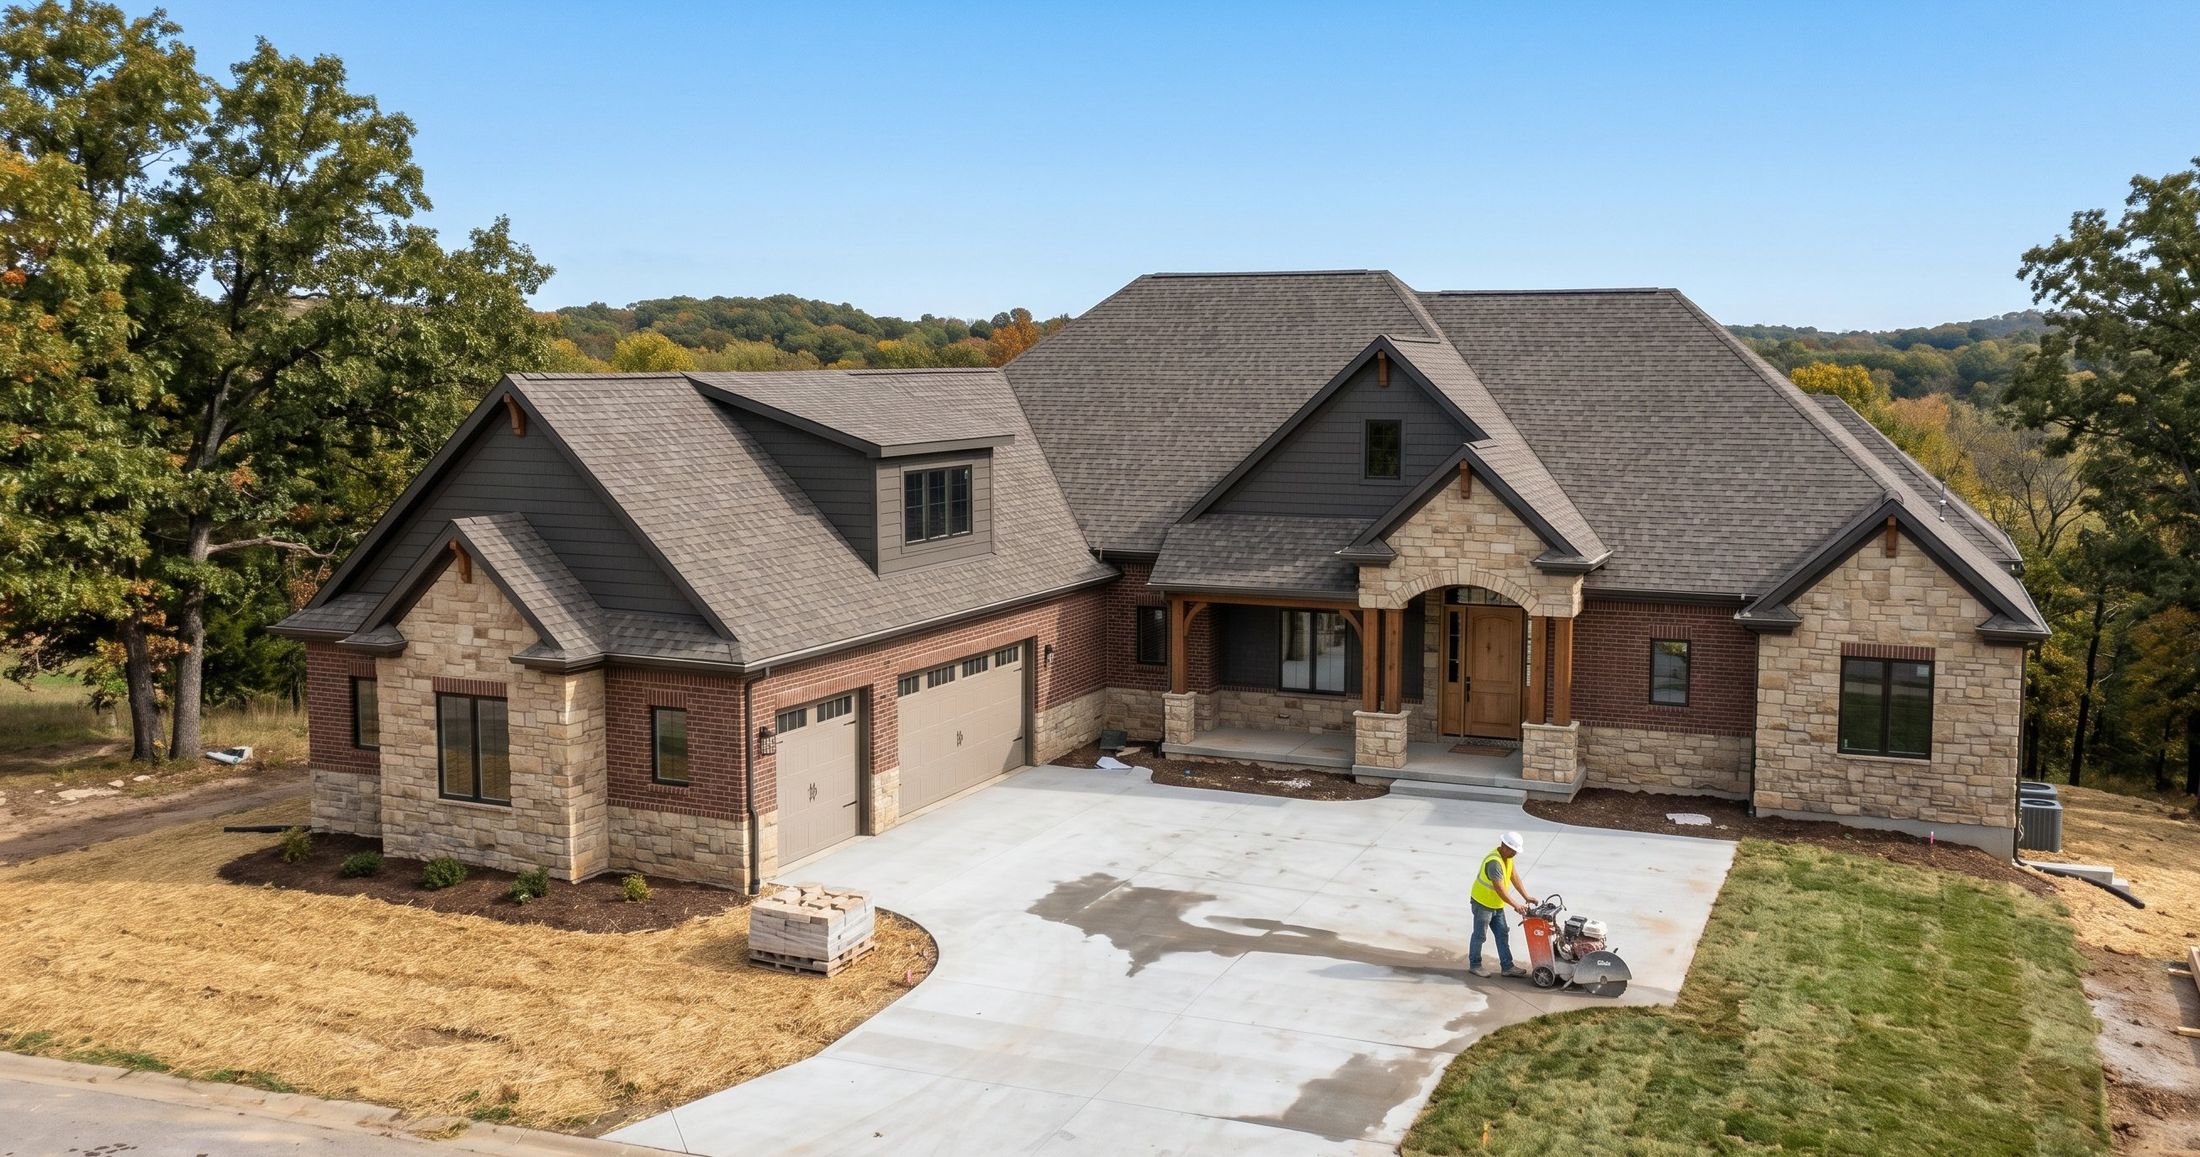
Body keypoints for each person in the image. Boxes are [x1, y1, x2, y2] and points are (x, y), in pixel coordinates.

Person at [1468, 830, 1537, 978]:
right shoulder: (1494, 862)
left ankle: (1507, 966)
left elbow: (1514, 877)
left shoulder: (1507, 857)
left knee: (1502, 934)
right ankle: (1475, 965)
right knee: (1480, 935)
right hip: (1482, 903)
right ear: (1504, 846)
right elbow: (1499, 889)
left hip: (1496, 905)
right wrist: (1516, 905)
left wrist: (1526, 896)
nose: (1515, 854)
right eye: (1513, 850)